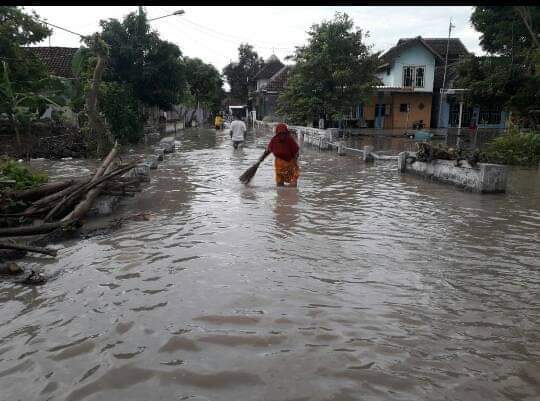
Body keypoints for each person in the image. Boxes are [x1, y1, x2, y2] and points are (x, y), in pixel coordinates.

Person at [257, 123, 300, 187]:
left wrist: (295, 162)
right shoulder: (275, 139)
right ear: (277, 133)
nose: (282, 135)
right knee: (280, 184)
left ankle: (289, 192)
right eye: (280, 133)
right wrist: (261, 158)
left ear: (286, 133)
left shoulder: (289, 139)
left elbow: (296, 152)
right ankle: (282, 192)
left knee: (292, 184)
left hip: (289, 164)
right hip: (280, 165)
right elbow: (268, 150)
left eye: (283, 133)